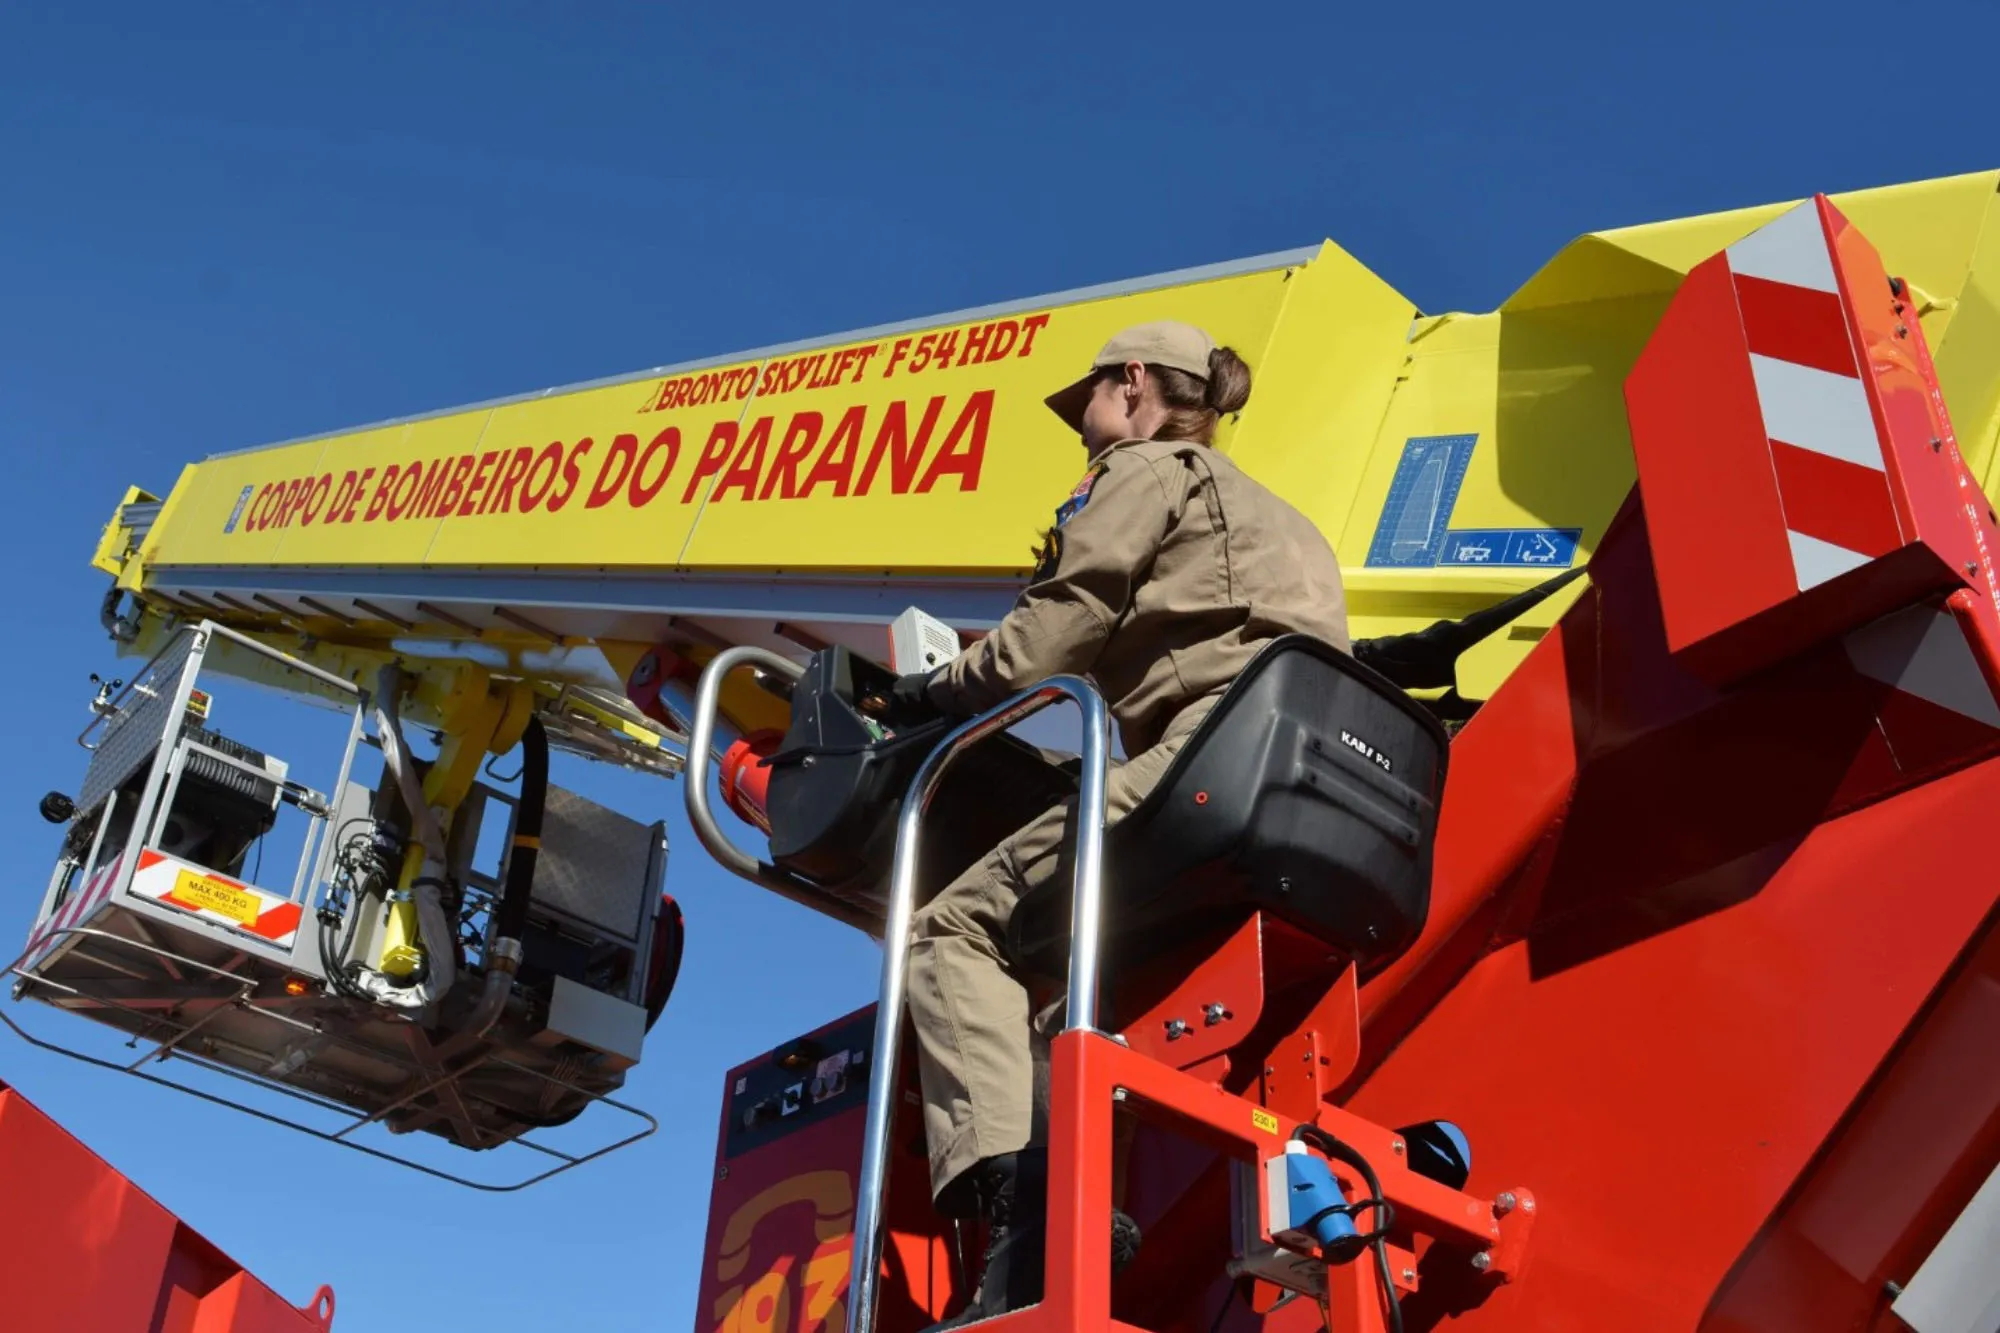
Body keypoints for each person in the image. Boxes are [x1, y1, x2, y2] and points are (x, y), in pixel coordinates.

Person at [889, 320, 1352, 1327]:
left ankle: (1025, 1219)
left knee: (947, 932)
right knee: (1066, 1001)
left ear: (1132, 381)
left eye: (1088, 401)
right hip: (1304, 790)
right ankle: (1065, 1221)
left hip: (1207, 761)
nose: (1083, 428)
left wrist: (929, 691)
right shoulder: (1285, 520)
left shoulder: (1142, 468)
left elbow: (1049, 634)